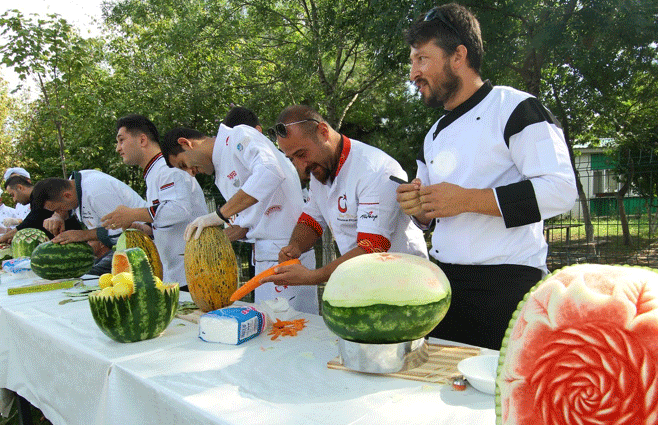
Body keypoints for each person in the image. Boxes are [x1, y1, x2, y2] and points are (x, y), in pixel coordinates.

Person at [397, 3, 577, 350]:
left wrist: (467, 200)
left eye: (421, 59)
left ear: (458, 56)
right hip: (444, 286)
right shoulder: (433, 134)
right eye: (412, 61)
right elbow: (429, 216)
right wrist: (417, 205)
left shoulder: (516, 108)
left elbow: (560, 190)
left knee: (497, 400)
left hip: (507, 288)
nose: (412, 73)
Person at [260, 105, 428, 288]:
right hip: (363, 281)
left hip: (403, 283)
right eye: (292, 159)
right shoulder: (320, 169)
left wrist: (312, 277)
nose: (301, 167)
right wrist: (294, 247)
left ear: (323, 132)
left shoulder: (374, 169)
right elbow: (311, 220)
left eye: (301, 154)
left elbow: (372, 246)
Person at [160, 124, 317, 314]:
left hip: (288, 253)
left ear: (186, 143)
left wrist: (218, 215)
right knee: (270, 332)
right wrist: (204, 243)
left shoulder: (238, 136)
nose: (191, 172)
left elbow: (270, 171)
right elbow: (246, 224)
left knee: (292, 330)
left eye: (184, 164)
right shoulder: (221, 172)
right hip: (264, 259)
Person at [100, 114, 208, 286]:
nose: (118, 148)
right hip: (179, 275)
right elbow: (173, 220)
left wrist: (133, 214)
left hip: (193, 275)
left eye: (121, 140)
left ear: (142, 140)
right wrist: (146, 229)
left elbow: (178, 209)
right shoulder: (155, 172)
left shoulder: (167, 168)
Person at [30, 170, 146, 248]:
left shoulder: (96, 193)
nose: (59, 211)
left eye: (58, 208)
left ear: (67, 195)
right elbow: (70, 206)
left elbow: (121, 231)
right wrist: (58, 216)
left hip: (143, 242)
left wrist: (83, 235)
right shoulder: (72, 184)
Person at [0, 176, 83, 246]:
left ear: (20, 187)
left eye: (13, 195)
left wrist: (1, 238)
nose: (14, 200)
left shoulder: (39, 197)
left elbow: (31, 222)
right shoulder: (35, 199)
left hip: (72, 241)